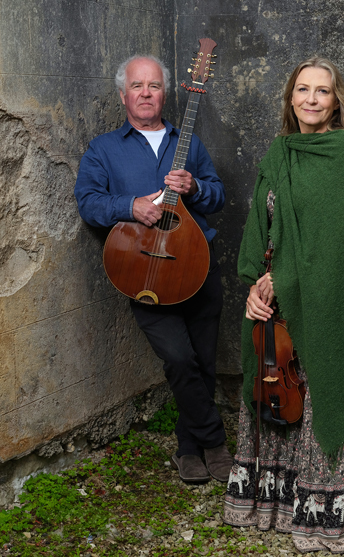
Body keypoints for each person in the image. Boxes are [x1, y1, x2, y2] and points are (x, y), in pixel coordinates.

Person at [224, 57, 344, 553]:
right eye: (302, 90)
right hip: (275, 292)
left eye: (322, 92)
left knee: (321, 391)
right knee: (276, 387)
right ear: (290, 98)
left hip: (324, 296)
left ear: (335, 101)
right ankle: (276, 503)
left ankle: (331, 510)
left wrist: (283, 279)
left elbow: (336, 240)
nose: (311, 99)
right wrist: (256, 286)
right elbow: (259, 223)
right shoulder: (279, 152)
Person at [74, 55, 232, 484]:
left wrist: (195, 187)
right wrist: (130, 206)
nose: (146, 93)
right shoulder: (103, 149)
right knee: (180, 359)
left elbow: (217, 195)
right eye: (138, 86)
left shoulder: (190, 144)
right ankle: (215, 443)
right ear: (124, 94)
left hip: (198, 267)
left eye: (155, 86)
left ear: (166, 93)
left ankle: (188, 448)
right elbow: (87, 201)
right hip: (143, 271)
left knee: (203, 360)